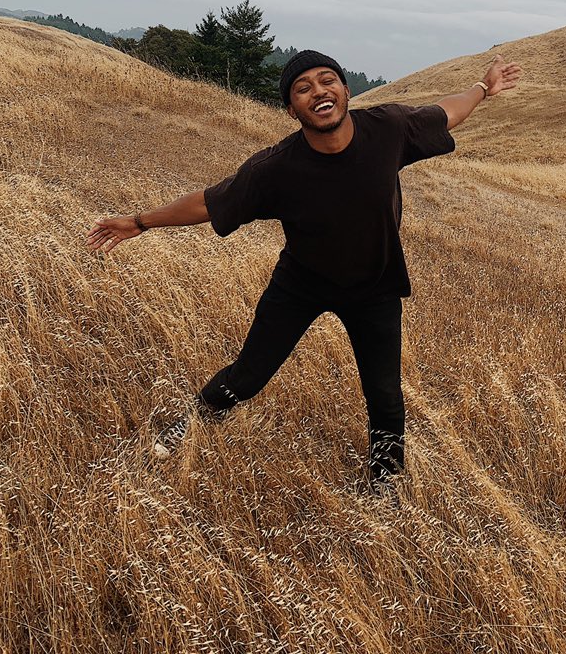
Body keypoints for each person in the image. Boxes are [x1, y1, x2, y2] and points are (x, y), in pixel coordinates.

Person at [87, 49, 521, 495]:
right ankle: (191, 422)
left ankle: (385, 484)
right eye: (303, 88)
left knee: (385, 395)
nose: (318, 91)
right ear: (292, 109)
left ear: (345, 90)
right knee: (247, 378)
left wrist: (483, 88)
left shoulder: (388, 128)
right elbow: (210, 202)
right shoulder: (275, 169)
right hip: (300, 287)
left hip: (375, 288)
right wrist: (140, 222)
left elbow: (446, 113)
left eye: (327, 80)